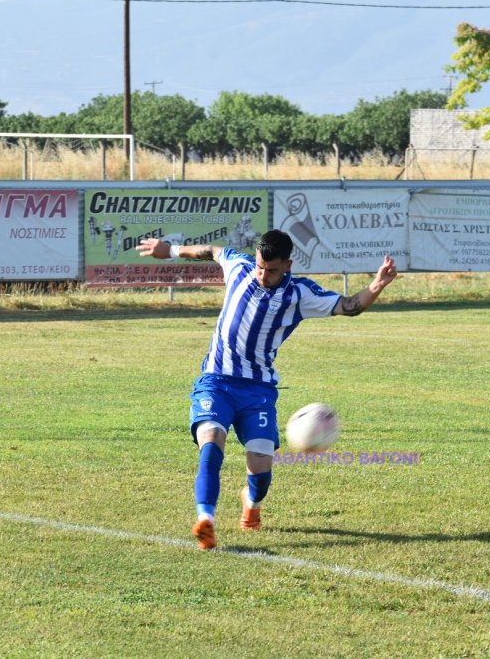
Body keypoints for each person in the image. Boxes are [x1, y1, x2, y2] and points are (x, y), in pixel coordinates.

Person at [136, 229, 398, 549]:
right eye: (260, 266)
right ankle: (206, 519)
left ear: (287, 264)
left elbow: (350, 305)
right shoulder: (240, 266)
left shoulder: (300, 294)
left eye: (271, 270)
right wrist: (172, 250)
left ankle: (251, 503)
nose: (263, 275)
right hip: (216, 380)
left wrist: (377, 284)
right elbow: (211, 250)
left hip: (258, 391)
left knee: (260, 471)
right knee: (212, 443)